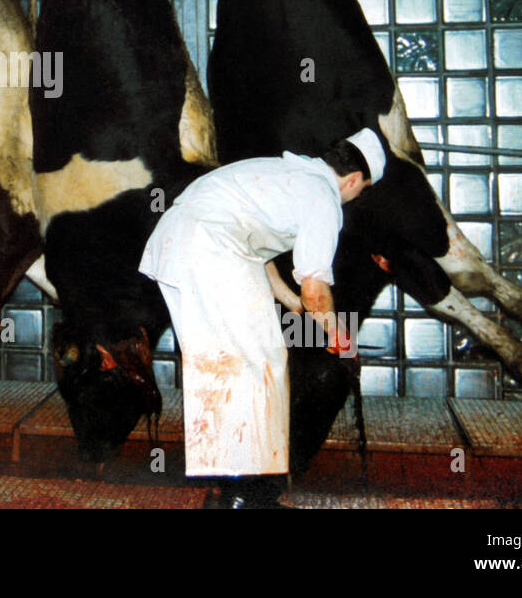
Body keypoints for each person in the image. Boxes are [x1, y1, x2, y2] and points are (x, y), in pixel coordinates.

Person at [138, 127, 387, 508]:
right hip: (209, 251)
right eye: (362, 189)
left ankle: (235, 489)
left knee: (233, 366)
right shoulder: (323, 198)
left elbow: (258, 249)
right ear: (354, 179)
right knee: (253, 366)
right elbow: (316, 289)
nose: (356, 196)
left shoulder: (286, 172)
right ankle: (243, 495)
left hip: (183, 244)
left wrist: (292, 302)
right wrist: (341, 338)